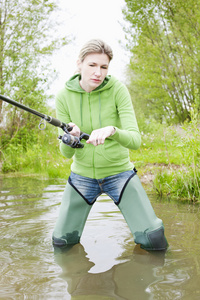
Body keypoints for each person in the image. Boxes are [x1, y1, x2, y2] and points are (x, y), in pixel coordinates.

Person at [52, 39, 168, 251]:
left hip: (119, 173)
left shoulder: (118, 90)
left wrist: (112, 130)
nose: (98, 72)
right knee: (61, 243)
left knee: (154, 239)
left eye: (104, 67)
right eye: (92, 65)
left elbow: (135, 140)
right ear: (79, 64)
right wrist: (72, 137)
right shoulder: (63, 97)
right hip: (82, 176)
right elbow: (65, 153)